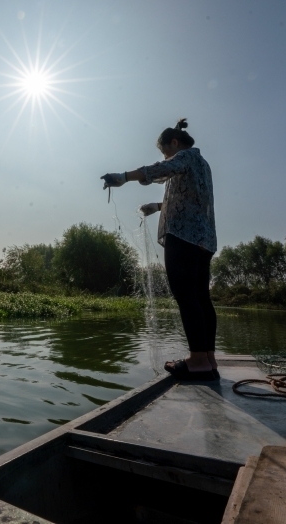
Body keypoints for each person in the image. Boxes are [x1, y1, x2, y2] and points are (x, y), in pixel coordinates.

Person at [100, 119, 219, 381]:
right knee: (200, 298)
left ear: (174, 143)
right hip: (204, 239)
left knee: (185, 295)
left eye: (165, 151)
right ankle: (208, 359)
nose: (165, 157)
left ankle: (197, 360)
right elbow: (187, 200)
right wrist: (157, 206)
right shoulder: (202, 163)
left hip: (183, 237)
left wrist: (123, 178)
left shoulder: (184, 156)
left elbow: (160, 170)